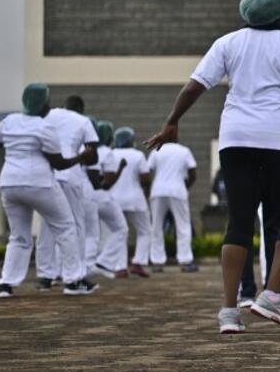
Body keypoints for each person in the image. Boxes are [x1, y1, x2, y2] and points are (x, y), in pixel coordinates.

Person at [145, 0, 280, 334]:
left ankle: (229, 311)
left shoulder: (227, 43)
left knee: (238, 221)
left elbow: (194, 86)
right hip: (276, 139)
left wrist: (172, 122)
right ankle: (273, 294)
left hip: (234, 138)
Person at [0, 84, 98, 297]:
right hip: (39, 184)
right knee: (65, 227)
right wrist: (82, 156)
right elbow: (60, 164)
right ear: (44, 105)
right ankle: (73, 281)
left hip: (9, 184)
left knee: (18, 236)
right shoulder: (45, 127)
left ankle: (6, 284)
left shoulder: (9, 121)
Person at [35, 95, 99, 290]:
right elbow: (92, 157)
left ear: (64, 105)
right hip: (70, 175)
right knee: (76, 225)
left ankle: (46, 276)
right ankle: (76, 275)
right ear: (80, 108)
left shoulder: (49, 115)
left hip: (47, 174)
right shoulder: (83, 121)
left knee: (47, 225)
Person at [85, 120, 130, 279]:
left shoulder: (87, 149)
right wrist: (119, 170)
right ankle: (103, 263)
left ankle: (86, 267)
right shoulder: (107, 152)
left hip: (83, 197)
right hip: (102, 198)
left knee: (89, 234)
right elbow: (107, 183)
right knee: (121, 228)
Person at [147, 140, 198, 272]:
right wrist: (185, 187)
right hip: (177, 190)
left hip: (158, 191)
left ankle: (157, 263)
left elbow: (147, 172)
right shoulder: (184, 150)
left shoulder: (156, 150)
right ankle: (185, 261)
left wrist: (149, 191)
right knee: (183, 226)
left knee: (156, 227)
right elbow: (193, 173)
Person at [110, 127, 155, 276]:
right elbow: (145, 178)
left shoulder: (111, 154)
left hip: (114, 199)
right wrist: (147, 192)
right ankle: (138, 263)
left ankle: (120, 267)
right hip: (135, 199)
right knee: (145, 231)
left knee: (119, 232)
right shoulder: (138, 155)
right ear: (131, 140)